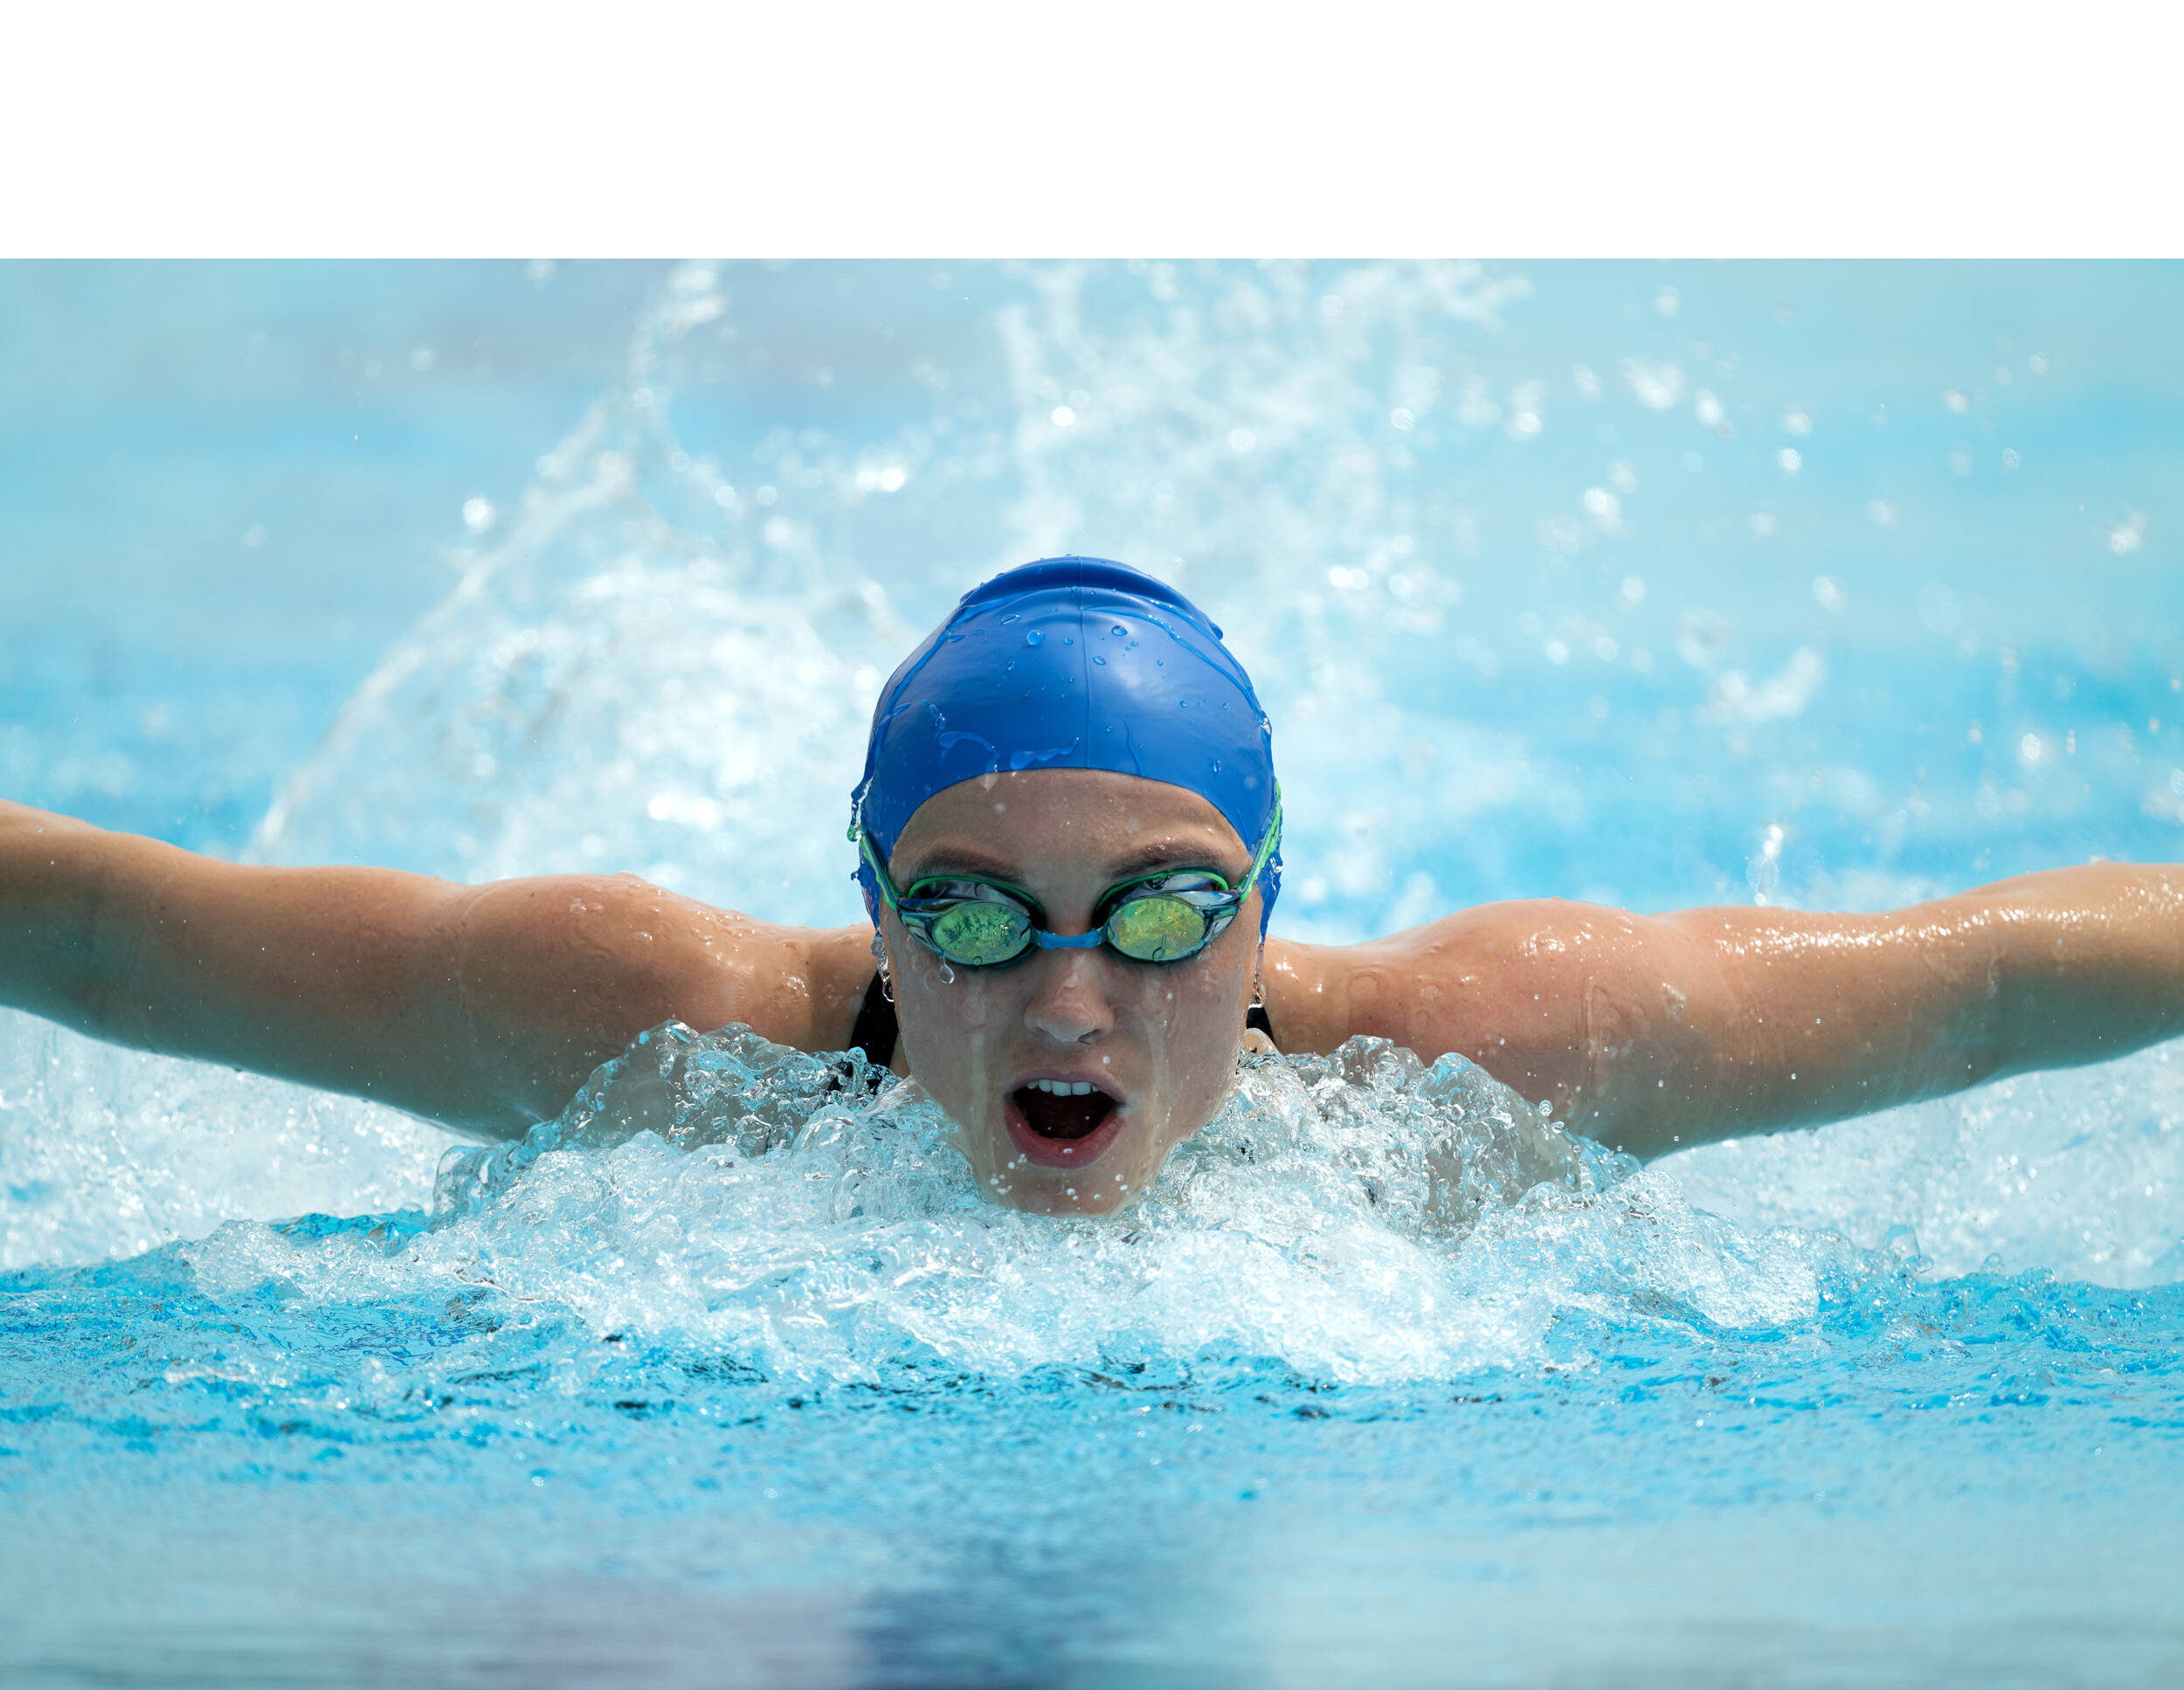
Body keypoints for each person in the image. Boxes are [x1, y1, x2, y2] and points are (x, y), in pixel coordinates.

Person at [4, 555, 2181, 1218]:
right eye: (970, 912)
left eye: (1155, 912)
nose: (1065, 999)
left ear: (1263, 909)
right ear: (871, 907)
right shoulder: (656, 1028)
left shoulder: (1488, 1049)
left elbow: (1987, 977)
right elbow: (109, 927)